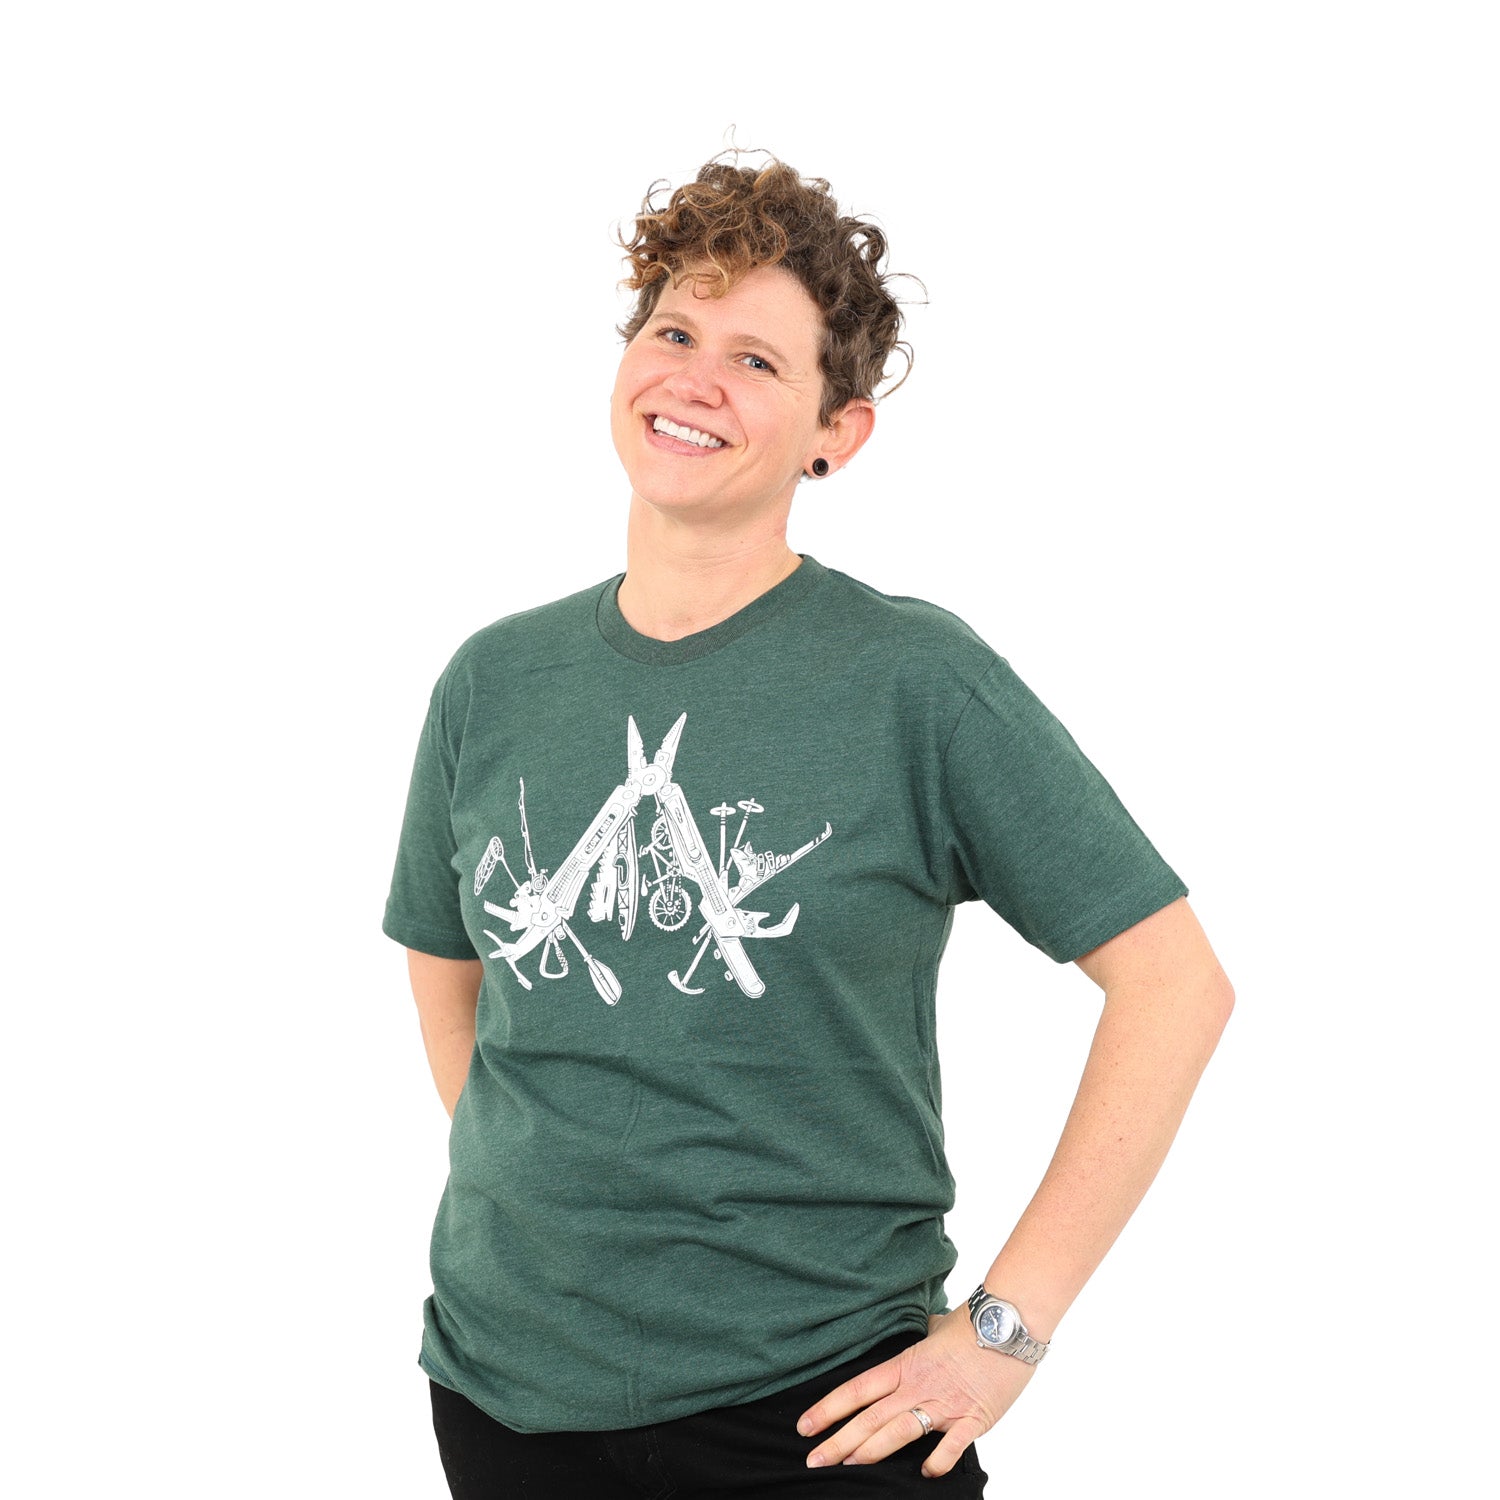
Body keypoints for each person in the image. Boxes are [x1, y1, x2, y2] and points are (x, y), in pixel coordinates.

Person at [384, 153, 1233, 1498]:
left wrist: (1004, 1334)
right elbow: (448, 963)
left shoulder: (914, 681)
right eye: (675, 332)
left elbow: (1174, 985)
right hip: (503, 1393)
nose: (694, 379)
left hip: (823, 1413)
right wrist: (548, 1185)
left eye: (756, 360)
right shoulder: (495, 680)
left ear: (837, 431)